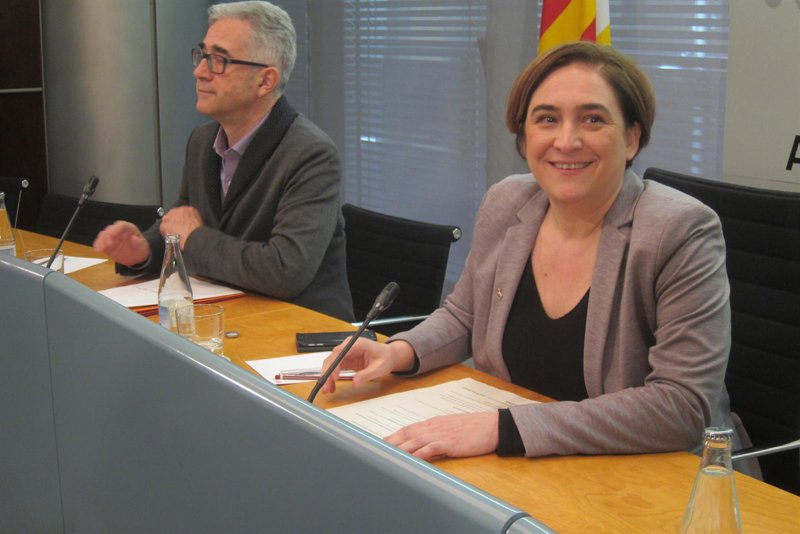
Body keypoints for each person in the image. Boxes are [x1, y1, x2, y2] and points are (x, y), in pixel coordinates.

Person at [321, 42, 754, 467]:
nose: (566, 141)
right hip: (531, 466)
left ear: (631, 138)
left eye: (593, 119)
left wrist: (504, 428)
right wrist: (398, 352)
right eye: (547, 119)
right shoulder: (508, 202)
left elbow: (681, 406)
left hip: (654, 476)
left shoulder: (678, 231)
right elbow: (465, 316)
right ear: (524, 138)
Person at [93, 1, 353, 321]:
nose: (199, 72)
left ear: (265, 81)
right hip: (229, 318)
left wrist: (194, 237)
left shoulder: (311, 154)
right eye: (202, 55)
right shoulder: (202, 141)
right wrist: (144, 250)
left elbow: (285, 270)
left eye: (219, 60)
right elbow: (181, 224)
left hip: (298, 331)